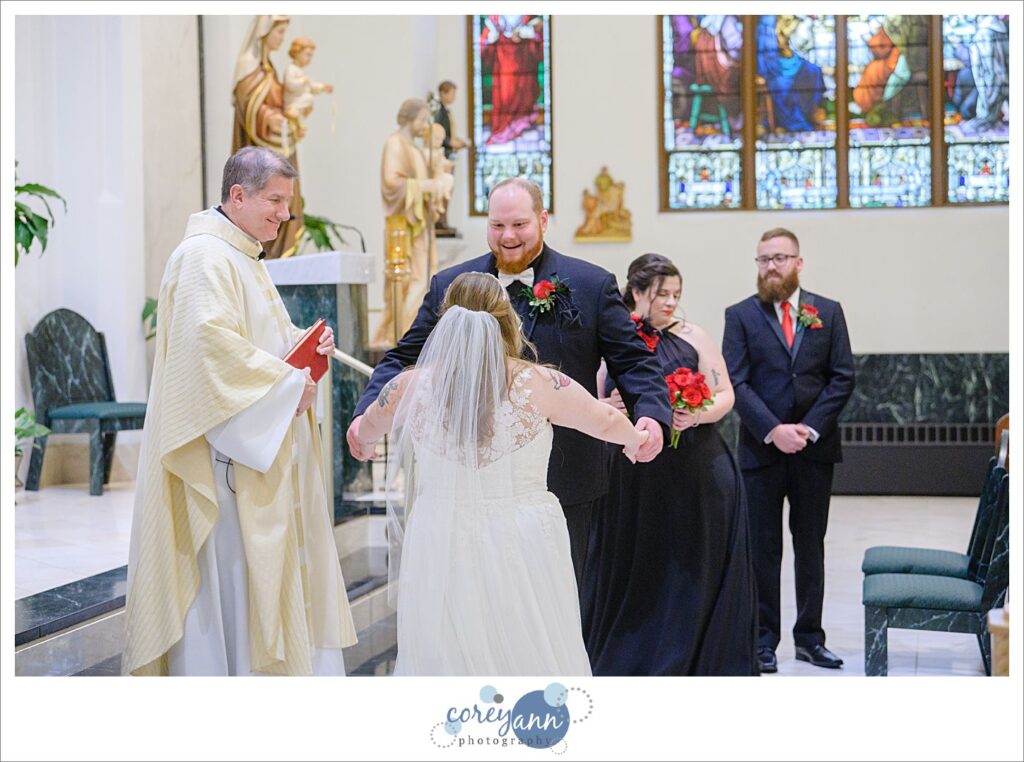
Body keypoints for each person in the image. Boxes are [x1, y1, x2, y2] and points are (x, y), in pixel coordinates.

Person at [349, 177, 670, 595]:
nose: (508, 237)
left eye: (519, 225)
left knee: (557, 611)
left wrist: (652, 414)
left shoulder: (590, 284)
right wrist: (367, 413)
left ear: (543, 219)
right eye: (497, 226)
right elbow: (402, 358)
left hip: (564, 479)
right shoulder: (452, 284)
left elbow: (632, 361)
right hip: (465, 485)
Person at [121, 147, 357, 676]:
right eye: (275, 200)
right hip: (223, 462)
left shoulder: (241, 253)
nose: (284, 214)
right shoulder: (205, 256)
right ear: (238, 195)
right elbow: (210, 349)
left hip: (253, 449)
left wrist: (302, 347)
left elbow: (253, 341)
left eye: (287, 203)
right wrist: (284, 380)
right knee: (231, 588)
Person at [354, 273, 648, 675]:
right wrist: (636, 439)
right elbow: (604, 421)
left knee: (446, 644)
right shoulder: (539, 382)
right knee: (529, 639)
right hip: (522, 533)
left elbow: (365, 429)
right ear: (506, 317)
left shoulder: (409, 386)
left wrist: (363, 441)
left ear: (446, 321)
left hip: (440, 532)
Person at [585, 254, 758, 676]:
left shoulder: (694, 336)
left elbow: (725, 395)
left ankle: (695, 649)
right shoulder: (615, 337)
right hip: (634, 470)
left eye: (676, 295)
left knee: (690, 562)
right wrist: (606, 406)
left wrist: (695, 413)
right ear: (638, 292)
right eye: (662, 294)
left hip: (694, 465)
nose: (670, 302)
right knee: (638, 561)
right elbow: (591, 397)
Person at [722, 228, 854, 673]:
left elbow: (841, 377)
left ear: (799, 263)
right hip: (762, 452)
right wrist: (774, 429)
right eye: (763, 259)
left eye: (779, 258)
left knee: (810, 544)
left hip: (814, 451)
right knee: (763, 548)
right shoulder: (739, 315)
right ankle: (762, 641)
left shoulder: (828, 313)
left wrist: (809, 429)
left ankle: (810, 639)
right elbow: (735, 381)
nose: (771, 267)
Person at [231, 15, 304, 259]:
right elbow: (247, 107)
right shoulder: (247, 64)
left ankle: (276, 255)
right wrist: (270, 118)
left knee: (286, 205)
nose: (283, 38)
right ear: (265, 31)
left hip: (280, 147)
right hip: (259, 156)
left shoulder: (269, 68)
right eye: (279, 32)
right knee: (264, 202)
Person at [372, 98, 440, 349]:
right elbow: (391, 183)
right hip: (403, 226)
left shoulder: (414, 147)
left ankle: (414, 331)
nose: (424, 126)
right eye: (421, 120)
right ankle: (397, 332)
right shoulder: (395, 144)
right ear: (409, 119)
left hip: (420, 224)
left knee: (423, 279)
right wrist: (425, 186)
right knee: (408, 280)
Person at [481, 15, 544, 145]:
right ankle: (504, 130)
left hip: (524, 62)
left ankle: (521, 126)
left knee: (524, 95)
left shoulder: (527, 15)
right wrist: (493, 37)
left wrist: (527, 32)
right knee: (505, 95)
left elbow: (539, 32)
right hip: (503, 64)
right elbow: (484, 42)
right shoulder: (495, 17)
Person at [283, 36, 334, 139]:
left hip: (299, 103)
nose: (309, 59)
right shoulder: (291, 69)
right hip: (293, 100)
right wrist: (302, 81)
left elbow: (311, 86)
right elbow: (290, 85)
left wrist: (323, 87)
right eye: (307, 55)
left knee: (308, 99)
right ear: (297, 53)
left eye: (311, 56)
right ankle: (293, 112)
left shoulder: (300, 71)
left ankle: (298, 127)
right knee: (308, 97)